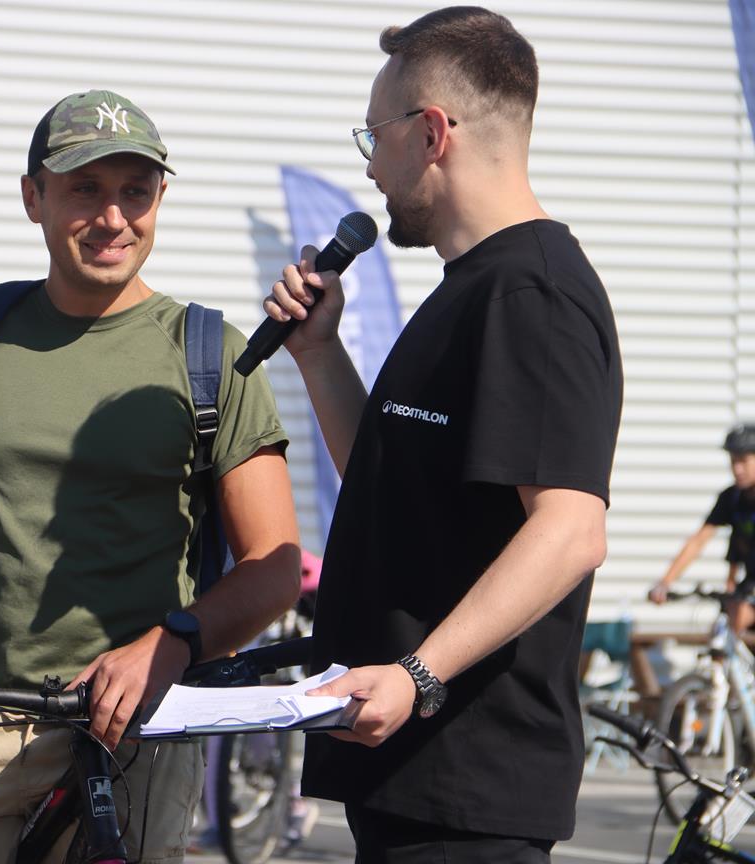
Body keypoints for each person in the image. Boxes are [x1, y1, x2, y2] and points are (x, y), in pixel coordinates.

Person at [0, 88, 301, 864]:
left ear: (161, 199)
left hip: (136, 727)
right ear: (34, 198)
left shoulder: (211, 355)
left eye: (136, 191)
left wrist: (172, 644)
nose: (113, 217)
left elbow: (275, 567)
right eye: (85, 189)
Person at [263, 7, 623, 861]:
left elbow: (572, 530)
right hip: (408, 777)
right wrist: (319, 355)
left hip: (469, 794)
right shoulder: (469, 289)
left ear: (430, 133)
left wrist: (417, 674)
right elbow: (390, 484)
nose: (370, 164)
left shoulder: (532, 295)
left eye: (374, 135)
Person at [651, 424, 755, 631]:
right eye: (733, 461)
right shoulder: (731, 498)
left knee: (738, 618)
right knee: (723, 629)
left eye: (743, 461)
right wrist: (665, 582)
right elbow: (699, 540)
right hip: (748, 587)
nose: (737, 469)